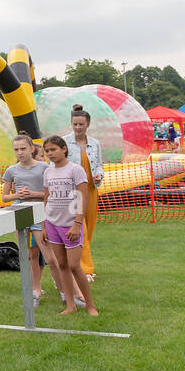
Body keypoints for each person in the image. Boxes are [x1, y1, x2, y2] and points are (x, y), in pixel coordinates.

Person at [40, 135, 97, 317]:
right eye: (47, 151)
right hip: (52, 224)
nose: (50, 153)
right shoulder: (48, 172)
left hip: (71, 224)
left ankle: (90, 305)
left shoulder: (76, 170)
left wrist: (77, 223)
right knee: (62, 264)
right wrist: (43, 226)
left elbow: (83, 197)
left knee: (74, 265)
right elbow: (46, 199)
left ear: (64, 149)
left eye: (53, 149)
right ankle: (70, 304)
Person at [1, 135, 48, 306]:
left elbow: (50, 194)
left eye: (23, 149)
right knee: (26, 255)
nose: (19, 152)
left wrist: (34, 194)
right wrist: (17, 195)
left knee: (40, 253)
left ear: (31, 149)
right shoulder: (11, 170)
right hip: (19, 213)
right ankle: (33, 291)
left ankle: (43, 288)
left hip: (38, 214)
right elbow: (4, 198)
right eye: (16, 150)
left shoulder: (44, 168)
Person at [64, 105, 104, 284]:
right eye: (75, 124)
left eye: (81, 124)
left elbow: (100, 165)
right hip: (73, 192)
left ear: (88, 124)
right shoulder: (64, 142)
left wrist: (99, 175)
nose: (78, 127)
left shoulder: (95, 143)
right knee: (80, 228)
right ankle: (85, 268)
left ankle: (76, 260)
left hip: (91, 189)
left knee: (90, 226)